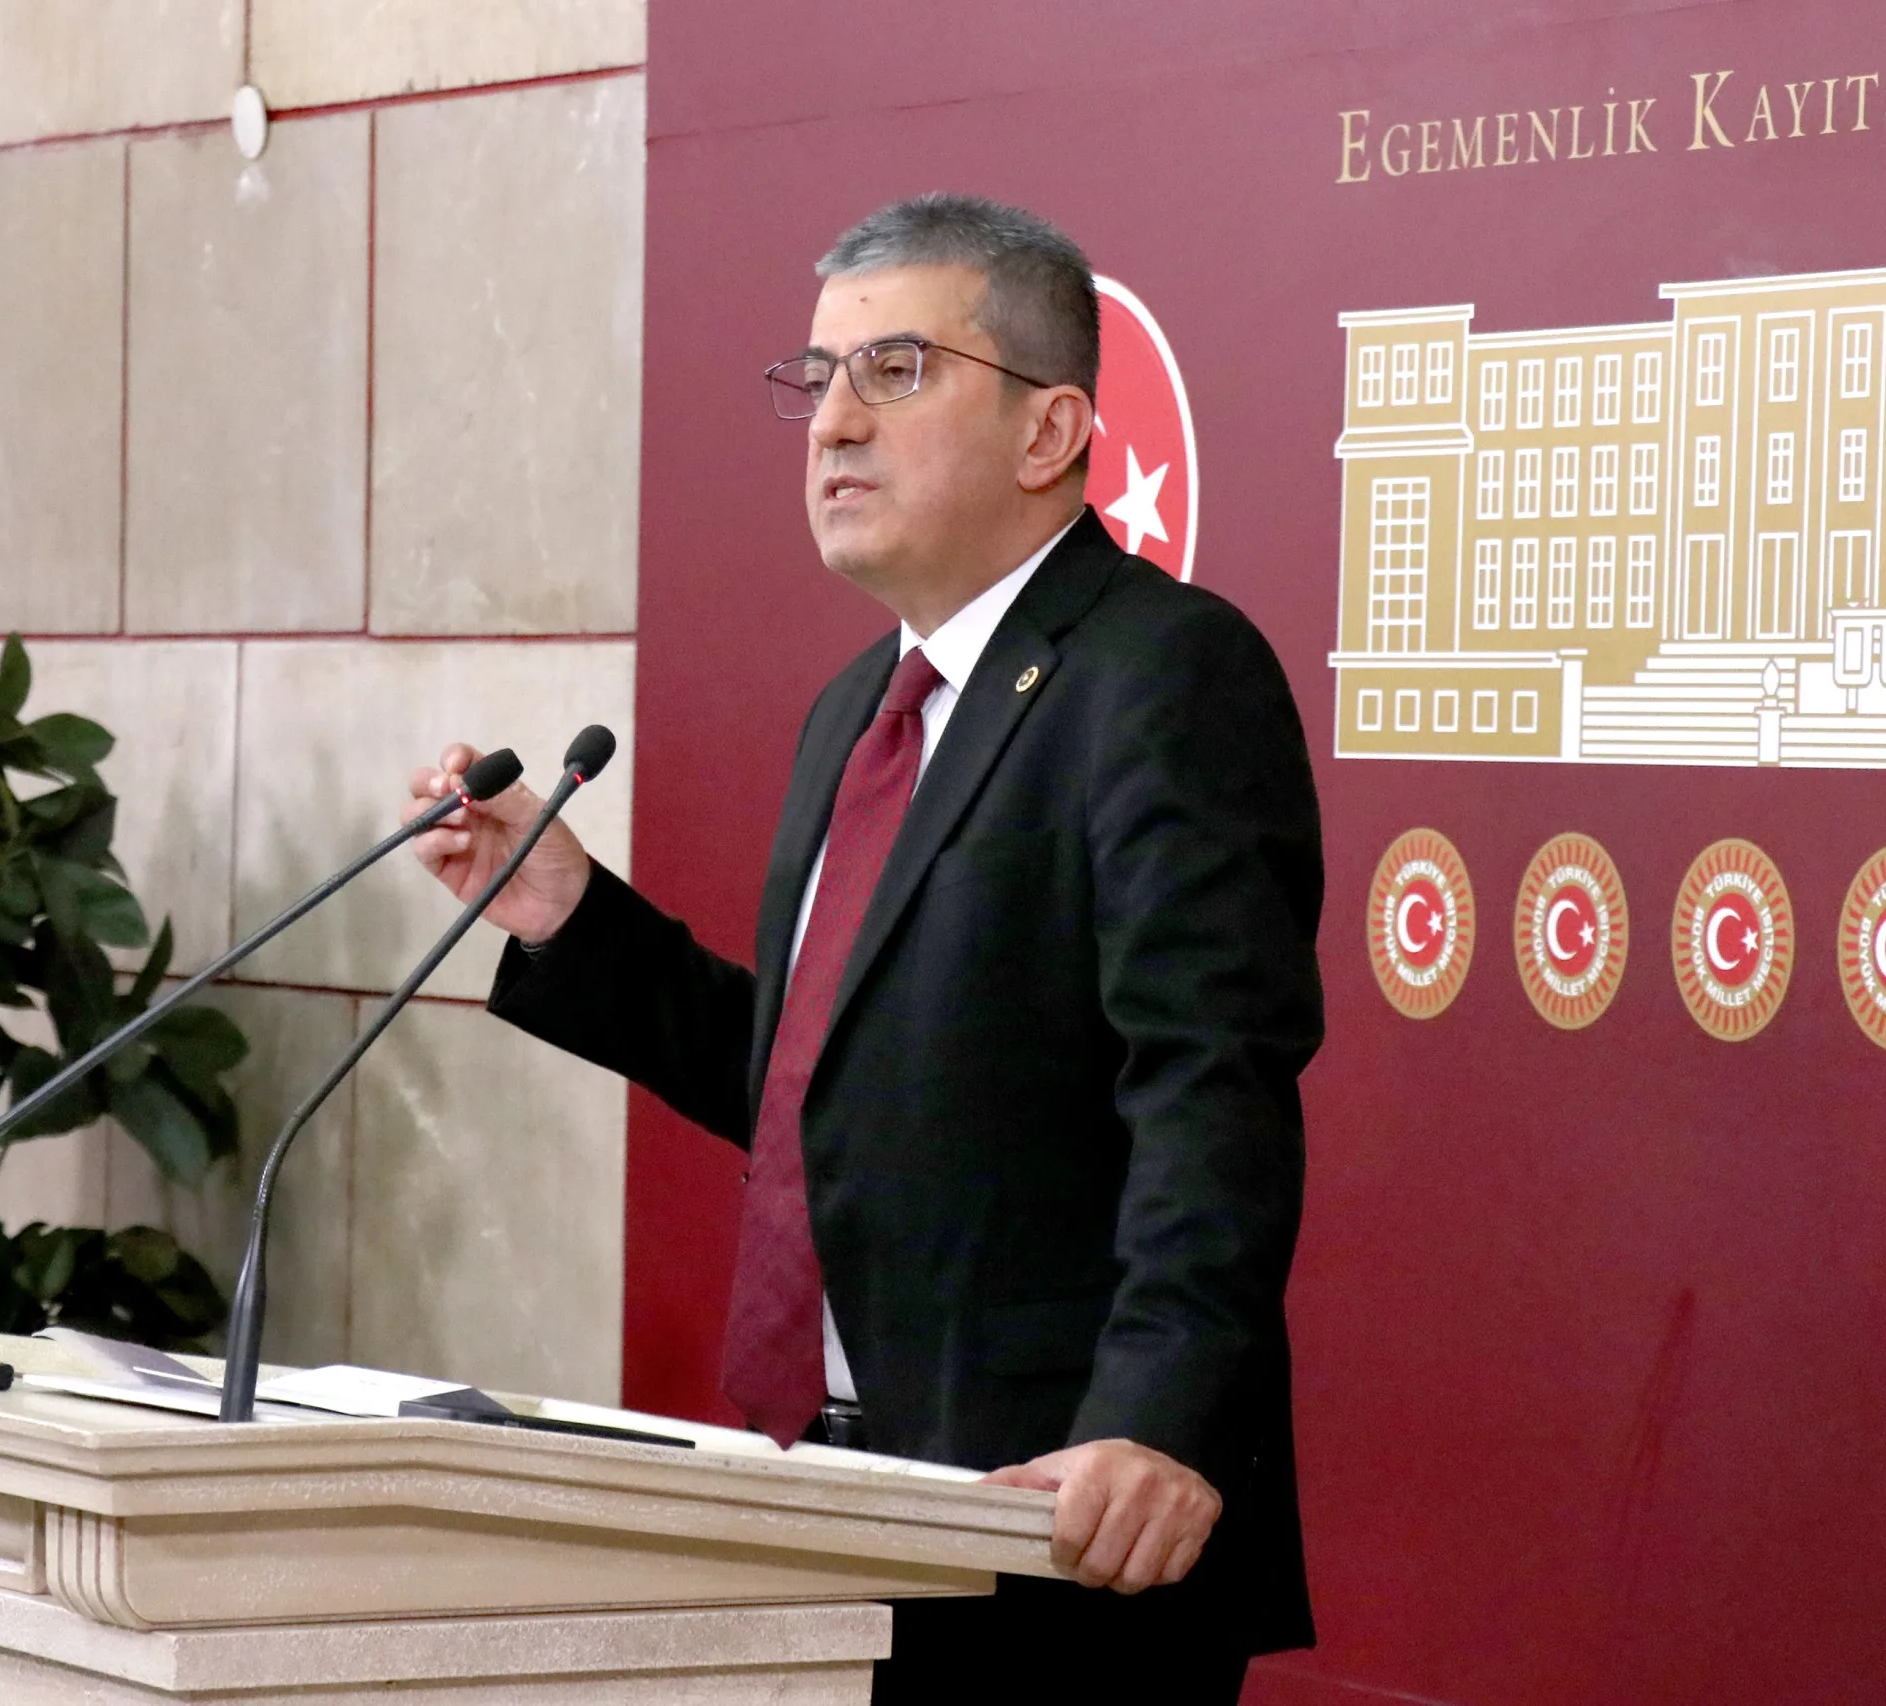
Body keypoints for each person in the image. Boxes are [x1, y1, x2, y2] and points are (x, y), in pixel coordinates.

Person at [403, 193, 1322, 1701]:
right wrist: (569, 912)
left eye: (895, 371)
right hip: (832, 1497)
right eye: (817, 377)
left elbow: (1211, 1091)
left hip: (1057, 1520)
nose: (832, 422)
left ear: (1049, 432)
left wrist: (1156, 1419)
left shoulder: (1162, 674)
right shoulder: (858, 711)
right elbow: (818, 1092)